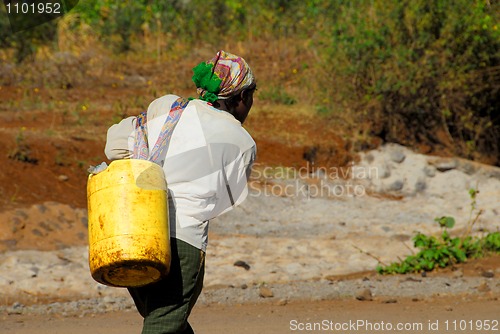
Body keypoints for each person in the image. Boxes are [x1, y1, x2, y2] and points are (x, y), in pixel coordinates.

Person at [103, 50, 257, 334]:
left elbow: (113, 147)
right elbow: (227, 199)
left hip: (133, 233)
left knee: (166, 319)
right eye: (251, 97)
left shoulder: (169, 106)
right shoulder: (243, 141)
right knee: (164, 323)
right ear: (240, 98)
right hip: (184, 242)